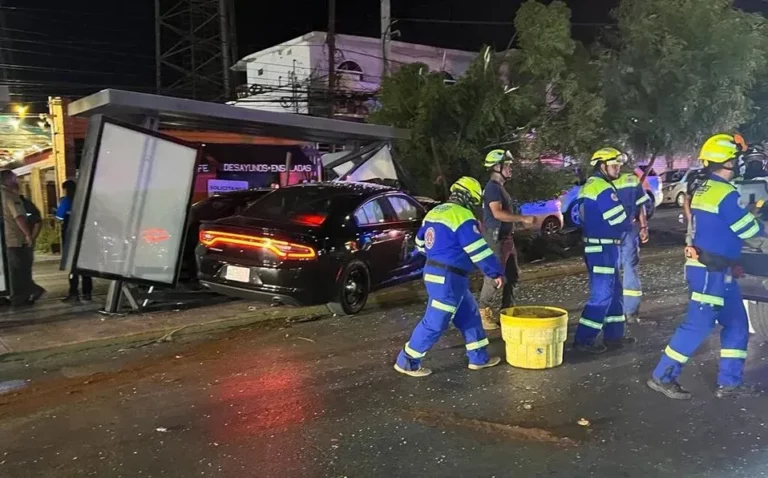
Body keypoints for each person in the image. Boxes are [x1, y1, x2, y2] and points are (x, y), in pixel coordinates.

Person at [648, 133, 765, 400]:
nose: (740, 164)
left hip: (720, 270)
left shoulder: (704, 188)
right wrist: (759, 221)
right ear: (727, 162)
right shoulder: (724, 193)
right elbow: (746, 229)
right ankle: (662, 376)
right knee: (697, 326)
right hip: (708, 272)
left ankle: (730, 383)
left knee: (736, 324)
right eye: (736, 159)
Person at [394, 177, 505, 377]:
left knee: (470, 315)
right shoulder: (462, 216)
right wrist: (494, 272)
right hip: (449, 278)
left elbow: (420, 244)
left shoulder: (434, 213)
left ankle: (479, 358)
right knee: (436, 322)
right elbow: (478, 250)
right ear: (469, 197)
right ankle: (407, 361)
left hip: (440, 274)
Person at [573, 147, 634, 354]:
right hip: (603, 248)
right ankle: (583, 341)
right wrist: (630, 222)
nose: (618, 169)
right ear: (602, 165)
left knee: (615, 292)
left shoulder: (593, 185)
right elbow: (618, 219)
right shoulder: (602, 187)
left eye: (618, 165)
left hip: (601, 246)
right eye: (614, 165)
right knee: (603, 295)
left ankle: (614, 337)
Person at [478, 149, 536, 330]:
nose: (510, 169)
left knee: (513, 276)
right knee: (494, 277)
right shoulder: (493, 188)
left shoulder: (500, 188)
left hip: (506, 239)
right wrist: (522, 219)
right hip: (496, 239)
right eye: (508, 165)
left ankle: (508, 311)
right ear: (497, 167)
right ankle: (483, 312)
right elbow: (497, 213)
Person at [614, 168, 650, 323]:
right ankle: (630, 313)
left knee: (613, 270)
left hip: (611, 232)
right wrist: (643, 227)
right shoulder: (632, 180)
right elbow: (641, 205)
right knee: (630, 269)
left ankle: (614, 312)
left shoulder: (602, 182)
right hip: (629, 229)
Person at [0, 170, 35, 306]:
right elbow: (19, 217)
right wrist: (28, 234)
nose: (17, 181)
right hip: (15, 238)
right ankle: (20, 298)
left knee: (12, 269)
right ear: (8, 180)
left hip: (5, 238)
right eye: (15, 178)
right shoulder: (9, 195)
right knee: (19, 269)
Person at [56, 180, 92, 302]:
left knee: (73, 267)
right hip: (85, 237)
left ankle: (73, 293)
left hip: (71, 237)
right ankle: (87, 293)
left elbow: (59, 217)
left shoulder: (66, 201)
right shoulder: (84, 199)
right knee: (86, 266)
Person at [19, 193, 46, 302]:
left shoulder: (25, 205)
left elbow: (37, 221)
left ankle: (32, 290)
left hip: (23, 243)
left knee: (21, 269)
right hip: (18, 242)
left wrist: (31, 238)